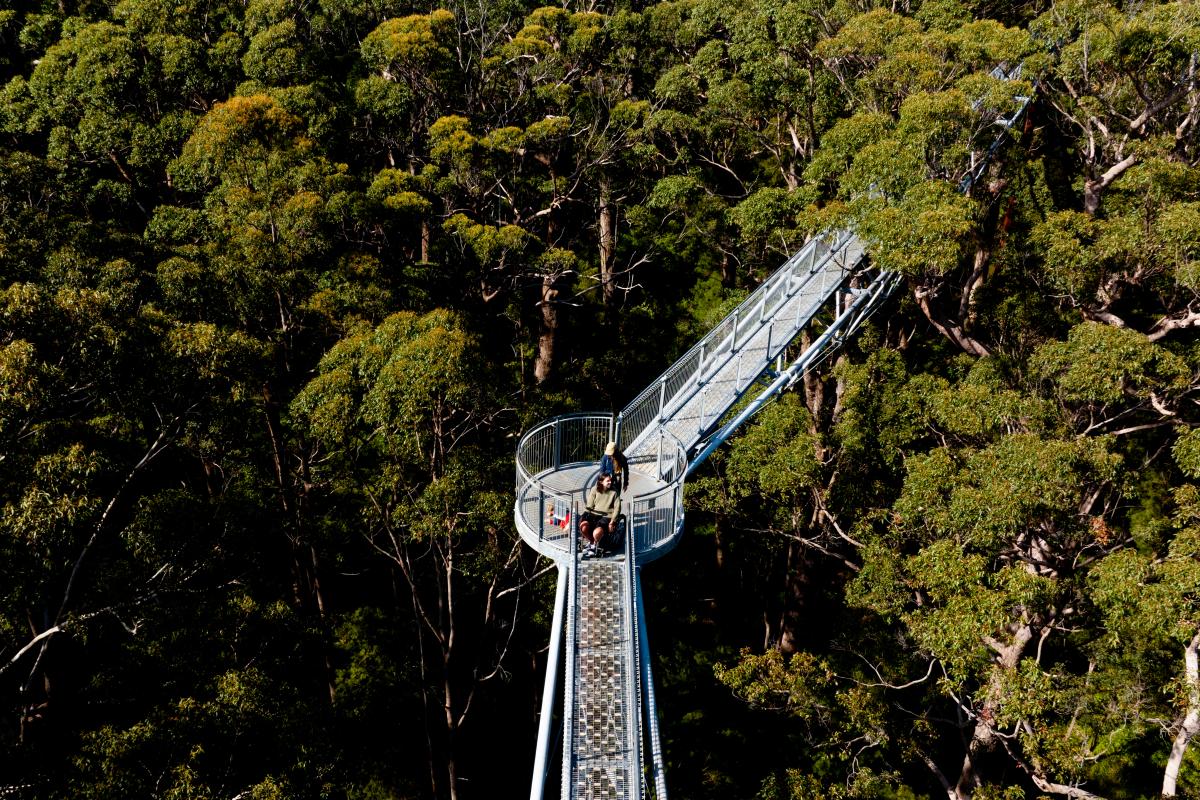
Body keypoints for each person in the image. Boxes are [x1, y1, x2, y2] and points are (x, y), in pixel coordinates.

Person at [579, 473, 621, 558]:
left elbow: (617, 508)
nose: (610, 482)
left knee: (597, 532)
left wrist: (612, 522)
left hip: (607, 516)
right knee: (583, 527)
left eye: (610, 480)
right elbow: (589, 505)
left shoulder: (614, 492)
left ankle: (594, 545)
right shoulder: (594, 489)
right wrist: (584, 516)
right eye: (608, 481)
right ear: (601, 482)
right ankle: (592, 542)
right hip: (594, 514)